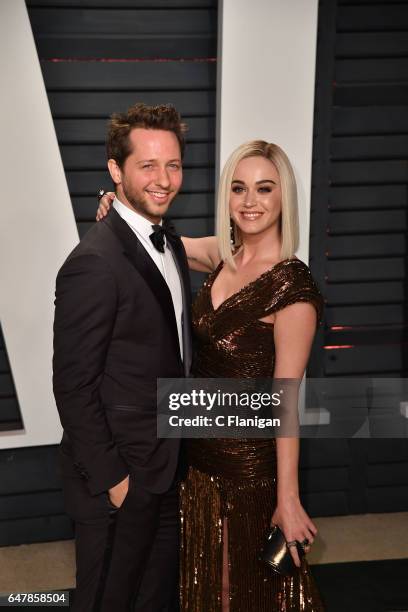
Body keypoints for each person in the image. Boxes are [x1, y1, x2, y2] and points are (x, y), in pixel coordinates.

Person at [97, 140, 324, 611]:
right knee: (199, 588)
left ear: (285, 198)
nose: (249, 202)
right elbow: (158, 241)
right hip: (197, 465)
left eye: (264, 189)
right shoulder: (223, 255)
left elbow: (285, 402)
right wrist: (119, 209)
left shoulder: (293, 287)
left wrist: (288, 498)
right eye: (239, 188)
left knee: (239, 593)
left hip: (248, 473)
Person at [53, 103, 192, 611]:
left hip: (164, 468)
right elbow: (73, 385)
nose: (164, 179)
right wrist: (116, 482)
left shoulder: (169, 241)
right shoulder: (93, 264)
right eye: (147, 166)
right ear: (116, 170)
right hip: (119, 482)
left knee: (154, 599)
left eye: (173, 165)